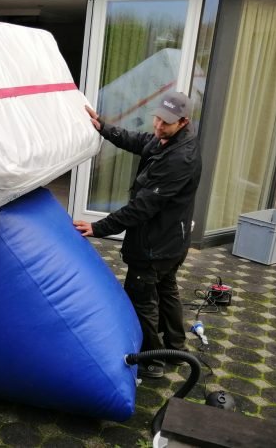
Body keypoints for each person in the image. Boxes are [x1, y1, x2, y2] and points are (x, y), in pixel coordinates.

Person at [74, 90, 202, 379]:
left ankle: (152, 361)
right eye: (157, 118)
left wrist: (98, 227)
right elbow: (141, 141)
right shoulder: (168, 140)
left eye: (165, 123)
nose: (157, 126)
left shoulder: (180, 159)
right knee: (166, 290)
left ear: (183, 121)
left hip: (156, 245)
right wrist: (104, 128)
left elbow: (142, 208)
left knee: (141, 298)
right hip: (172, 240)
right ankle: (176, 347)